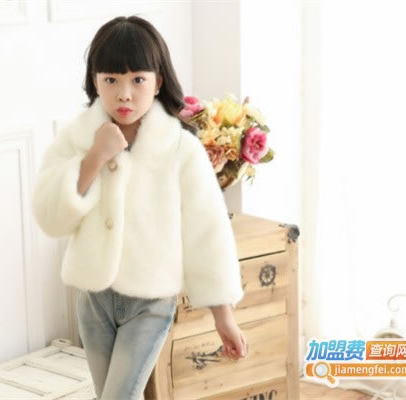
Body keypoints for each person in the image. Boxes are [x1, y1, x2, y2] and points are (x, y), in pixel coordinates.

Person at [31, 15, 248, 400]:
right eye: (111, 80)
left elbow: (207, 232)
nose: (124, 94)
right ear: (95, 81)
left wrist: (223, 316)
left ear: (158, 81)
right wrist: (95, 157)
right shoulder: (77, 139)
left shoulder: (181, 149)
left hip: (150, 303)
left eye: (138, 80)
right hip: (93, 298)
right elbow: (50, 217)